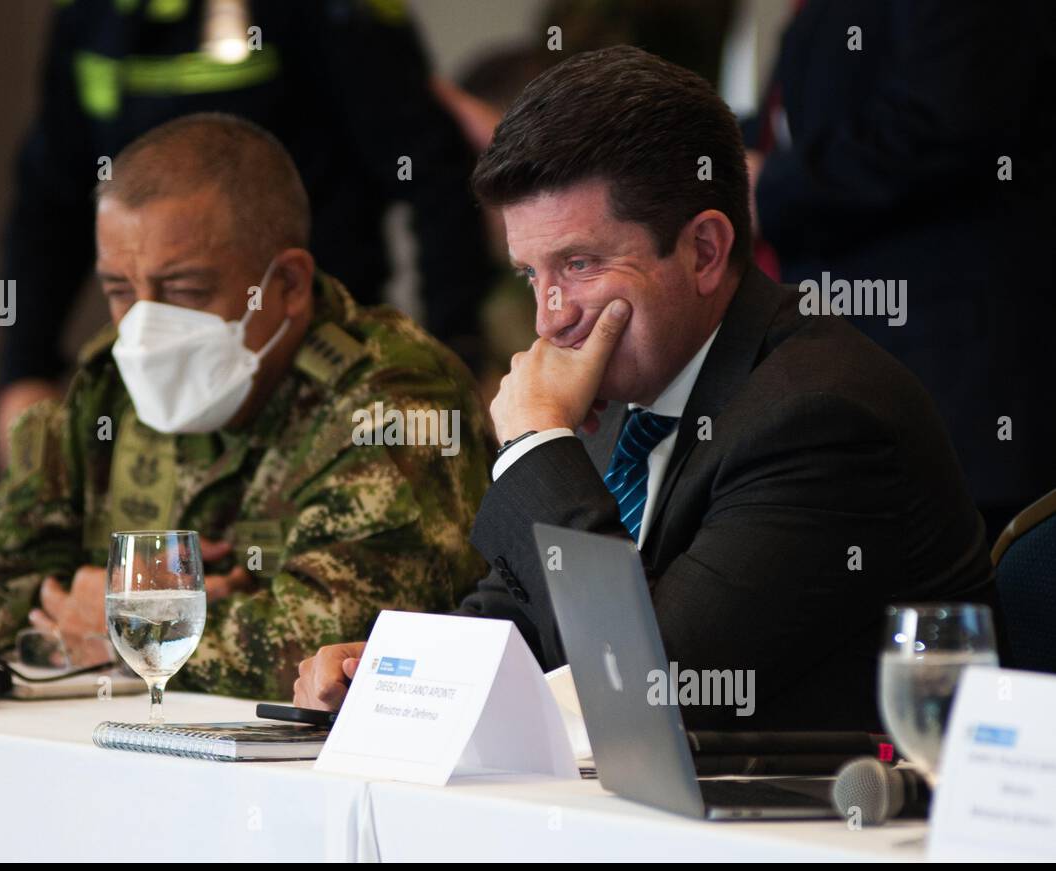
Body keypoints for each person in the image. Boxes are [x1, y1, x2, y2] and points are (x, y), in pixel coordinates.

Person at [293, 46, 998, 730]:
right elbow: (521, 623)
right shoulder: (615, 390)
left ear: (704, 251)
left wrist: (537, 447)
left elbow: (654, 690)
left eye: (580, 264)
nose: (549, 319)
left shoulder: (819, 415)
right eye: (531, 275)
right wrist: (392, 677)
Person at [0, 114, 493, 699]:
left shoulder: (394, 398)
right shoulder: (109, 384)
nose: (146, 326)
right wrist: (132, 605)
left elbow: (339, 651)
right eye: (120, 291)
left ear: (288, 284)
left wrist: (124, 621)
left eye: (185, 290)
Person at [0, 0, 492, 465]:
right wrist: (25, 371)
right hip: (165, 387)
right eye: (117, 289)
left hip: (312, 361)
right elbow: (49, 200)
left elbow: (432, 176)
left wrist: (460, 352)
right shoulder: (89, 13)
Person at [747, 0, 1056, 540]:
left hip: (961, 393)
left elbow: (942, 125)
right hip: (860, 388)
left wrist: (766, 187)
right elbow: (794, 118)